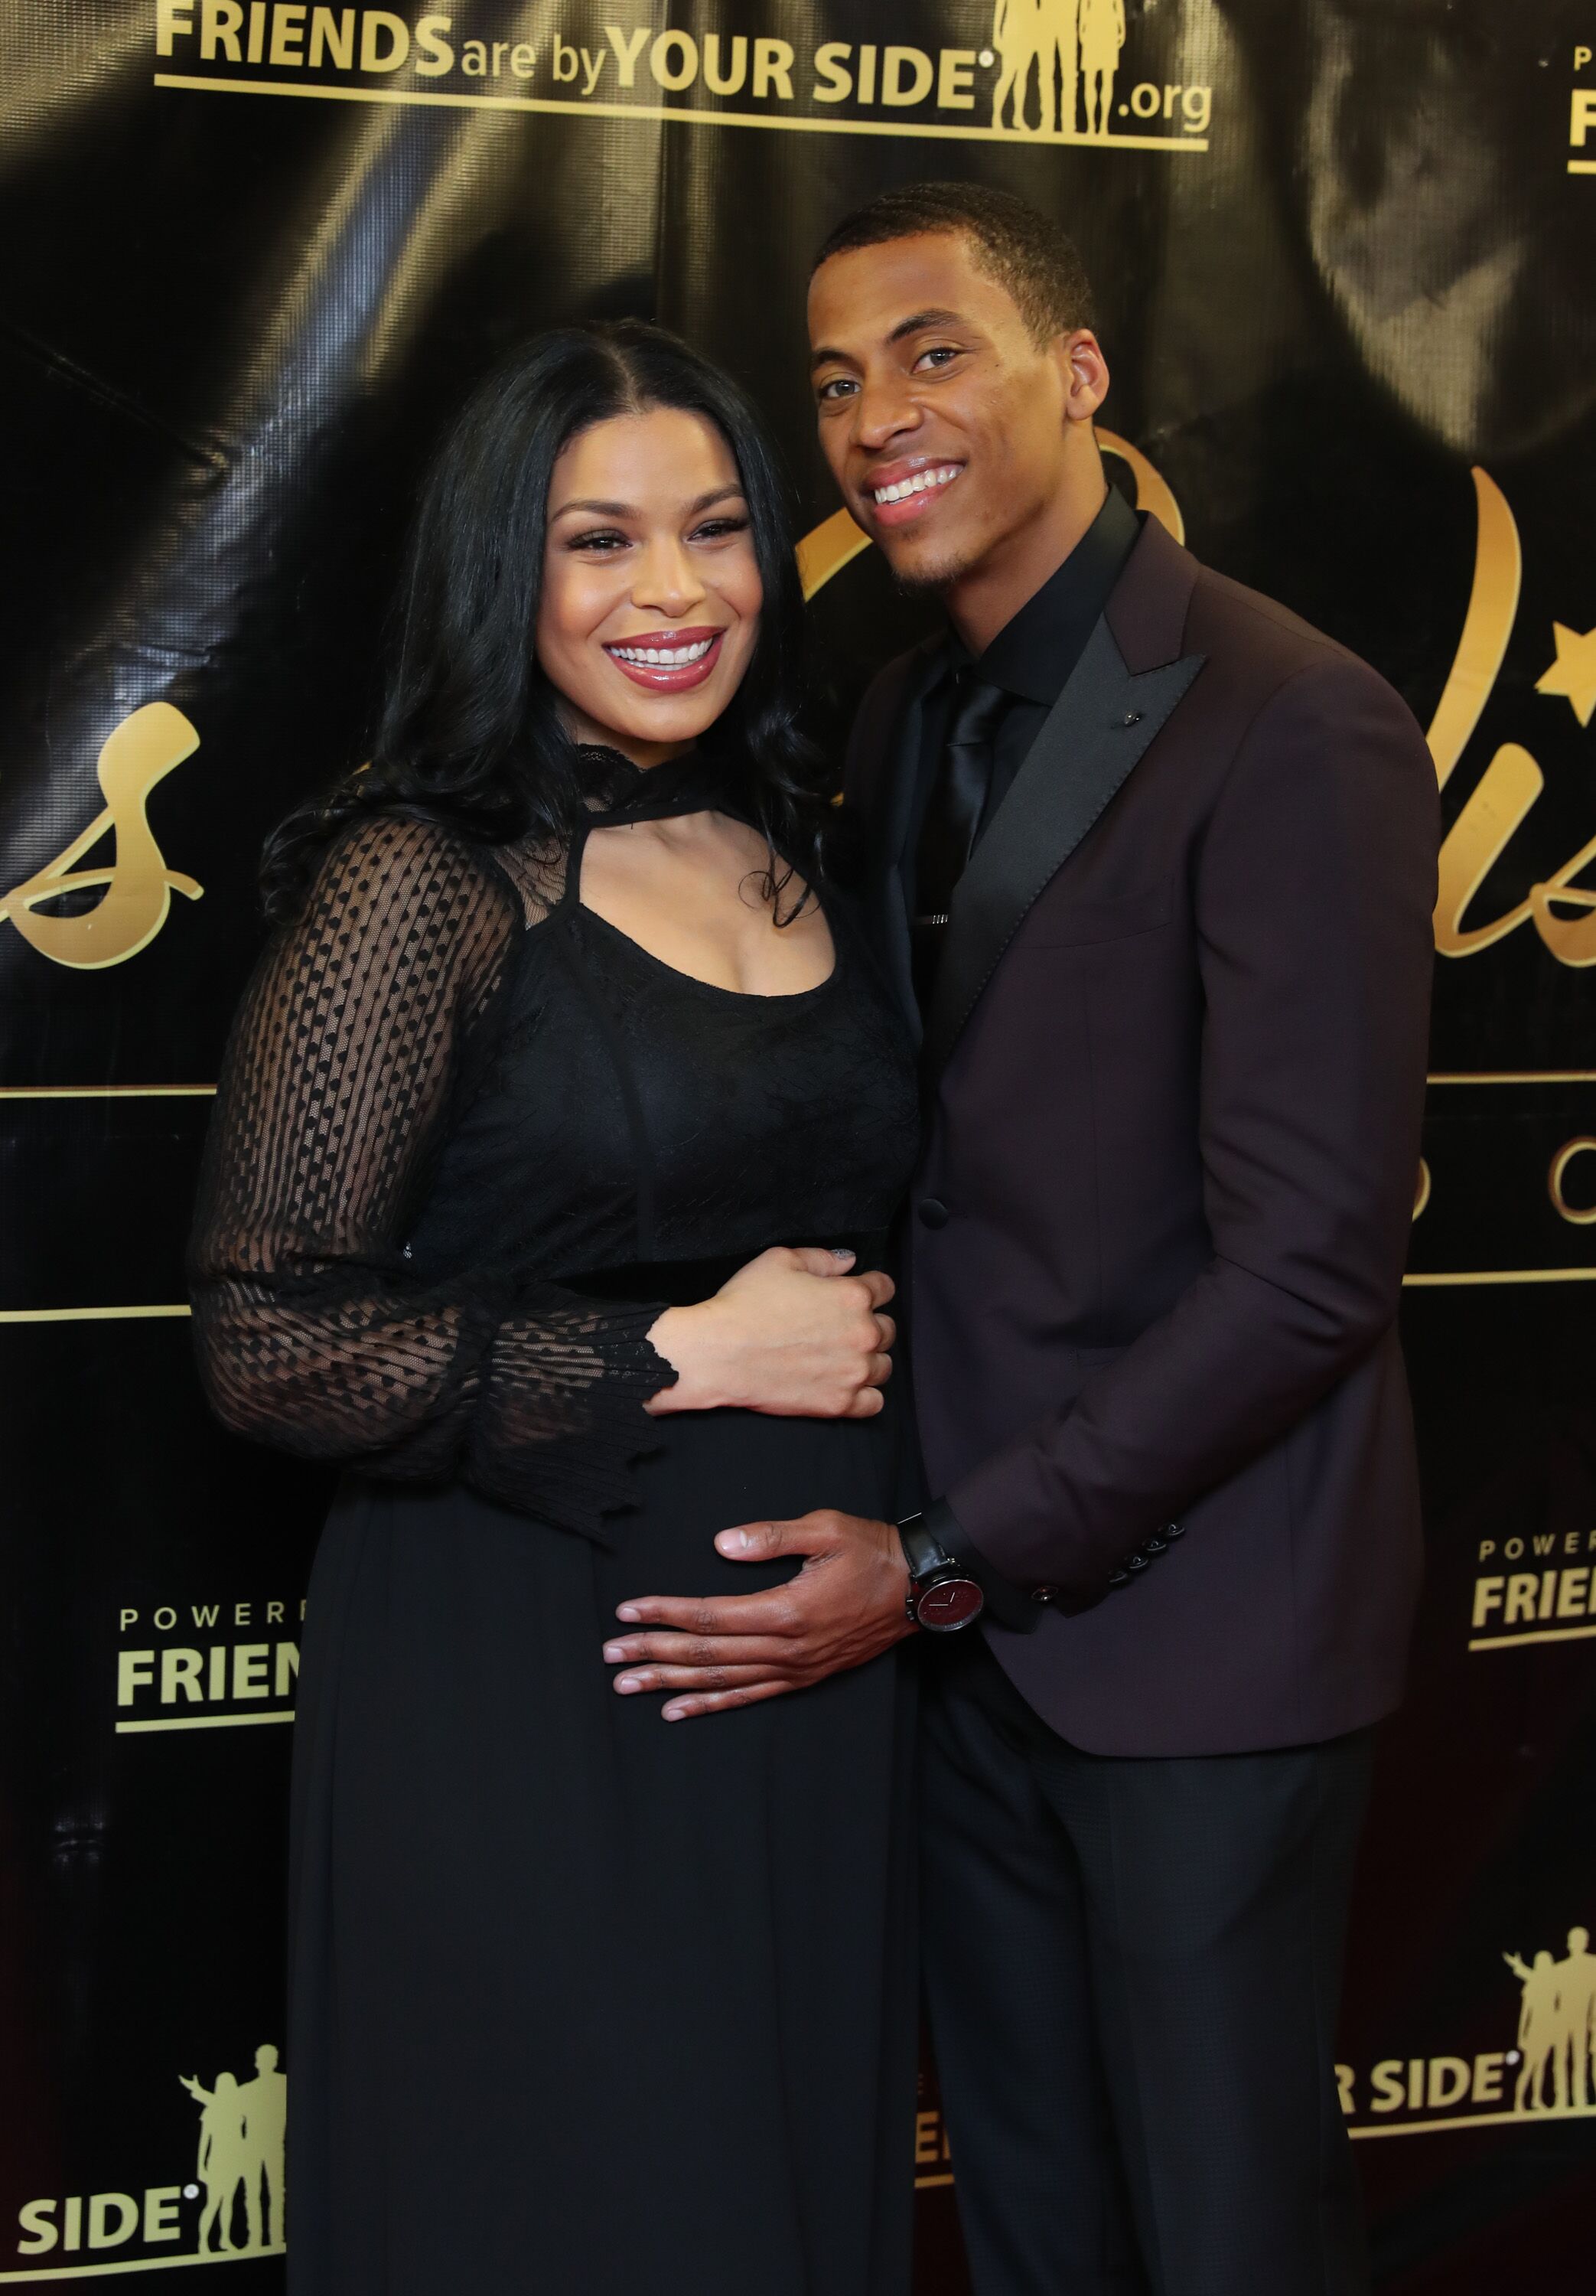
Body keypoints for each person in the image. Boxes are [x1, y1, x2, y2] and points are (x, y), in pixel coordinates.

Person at [606, 183, 1438, 2294]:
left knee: (1227, 2236)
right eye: (836, 379)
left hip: (1196, 1643)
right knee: (1037, 2233)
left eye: (935, 350)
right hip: (957, 1651)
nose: (878, 413)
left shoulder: (1292, 716)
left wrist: (962, 1550)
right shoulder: (894, 716)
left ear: (1078, 378)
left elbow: (1313, 1273)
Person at [188, 320, 920, 2296]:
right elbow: (267, 1331)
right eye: (597, 542)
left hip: (807, 1707)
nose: (673, 594)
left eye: (715, 529)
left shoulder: (803, 851)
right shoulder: (422, 885)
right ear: (499, 572)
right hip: (531, 1689)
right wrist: (681, 1352)